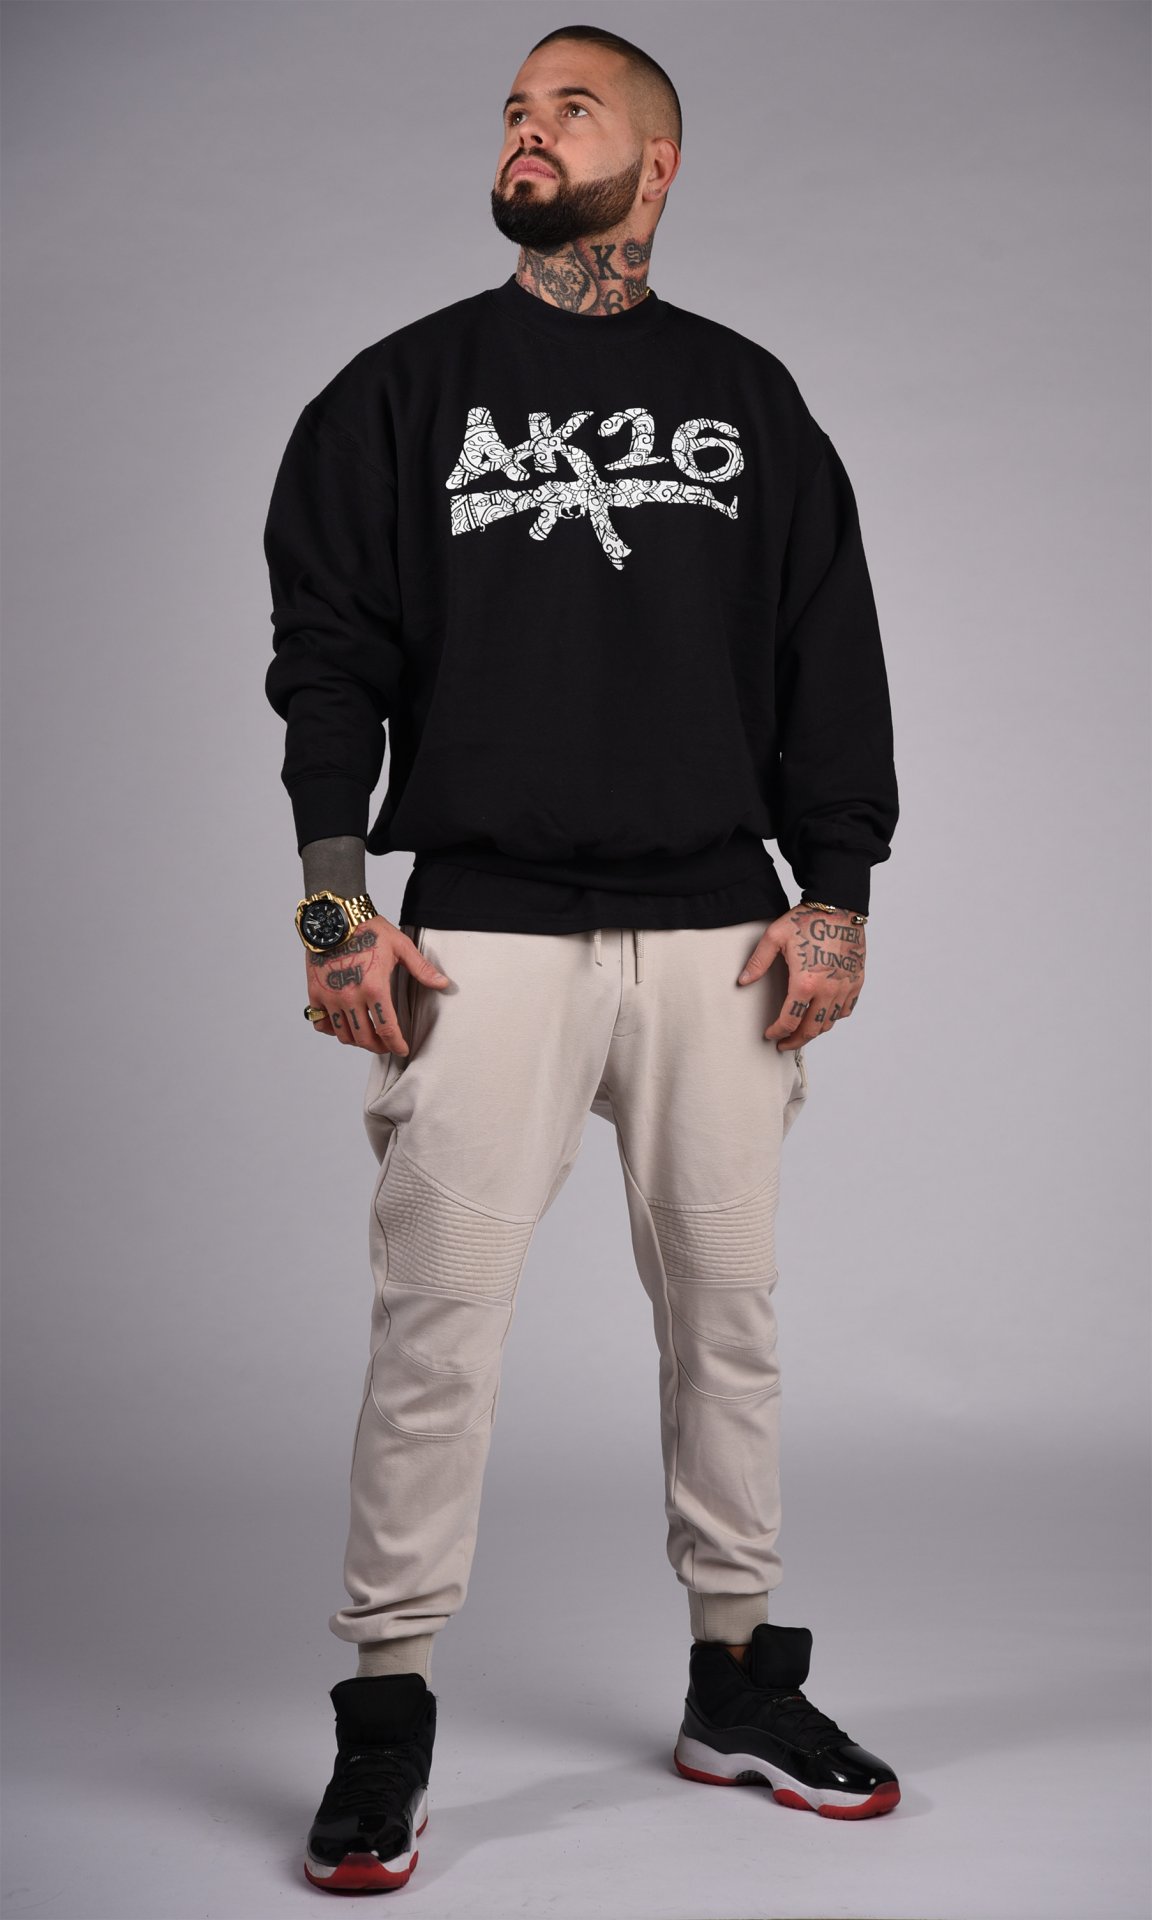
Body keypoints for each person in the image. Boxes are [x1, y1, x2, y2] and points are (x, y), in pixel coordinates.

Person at [263, 21, 902, 1894]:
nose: (527, 133)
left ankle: (736, 1681)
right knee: (437, 1328)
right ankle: (385, 1718)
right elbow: (326, 664)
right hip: (481, 934)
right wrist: (333, 902)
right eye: (513, 111)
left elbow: (829, 655)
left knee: (730, 1318)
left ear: (659, 161)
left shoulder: (748, 398)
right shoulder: (398, 394)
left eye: (572, 108)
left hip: (723, 936)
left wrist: (838, 888)